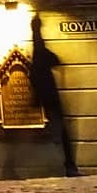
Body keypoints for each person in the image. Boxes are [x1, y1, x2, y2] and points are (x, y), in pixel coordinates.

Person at [29, 14, 77, 177]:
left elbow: (39, 43)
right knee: (60, 133)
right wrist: (36, 27)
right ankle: (68, 166)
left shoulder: (38, 59)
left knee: (60, 132)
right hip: (50, 100)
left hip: (48, 99)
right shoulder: (39, 58)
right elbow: (39, 43)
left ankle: (68, 164)